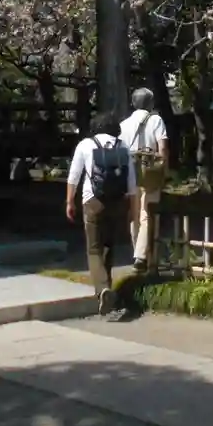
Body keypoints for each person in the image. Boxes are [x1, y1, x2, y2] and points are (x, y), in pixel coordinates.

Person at [66, 111, 134, 319]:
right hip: (117, 202)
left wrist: (69, 201)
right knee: (108, 246)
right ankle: (108, 289)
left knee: (94, 249)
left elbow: (74, 176)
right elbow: (132, 183)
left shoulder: (86, 145)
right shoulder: (123, 147)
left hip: (93, 201)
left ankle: (103, 288)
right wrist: (132, 209)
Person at [120, 88, 169, 272]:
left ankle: (138, 253)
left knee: (134, 214)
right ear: (151, 103)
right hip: (150, 172)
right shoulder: (156, 120)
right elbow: (163, 148)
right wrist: (164, 169)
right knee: (146, 212)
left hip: (130, 172)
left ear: (133, 103)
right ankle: (141, 256)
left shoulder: (124, 124)